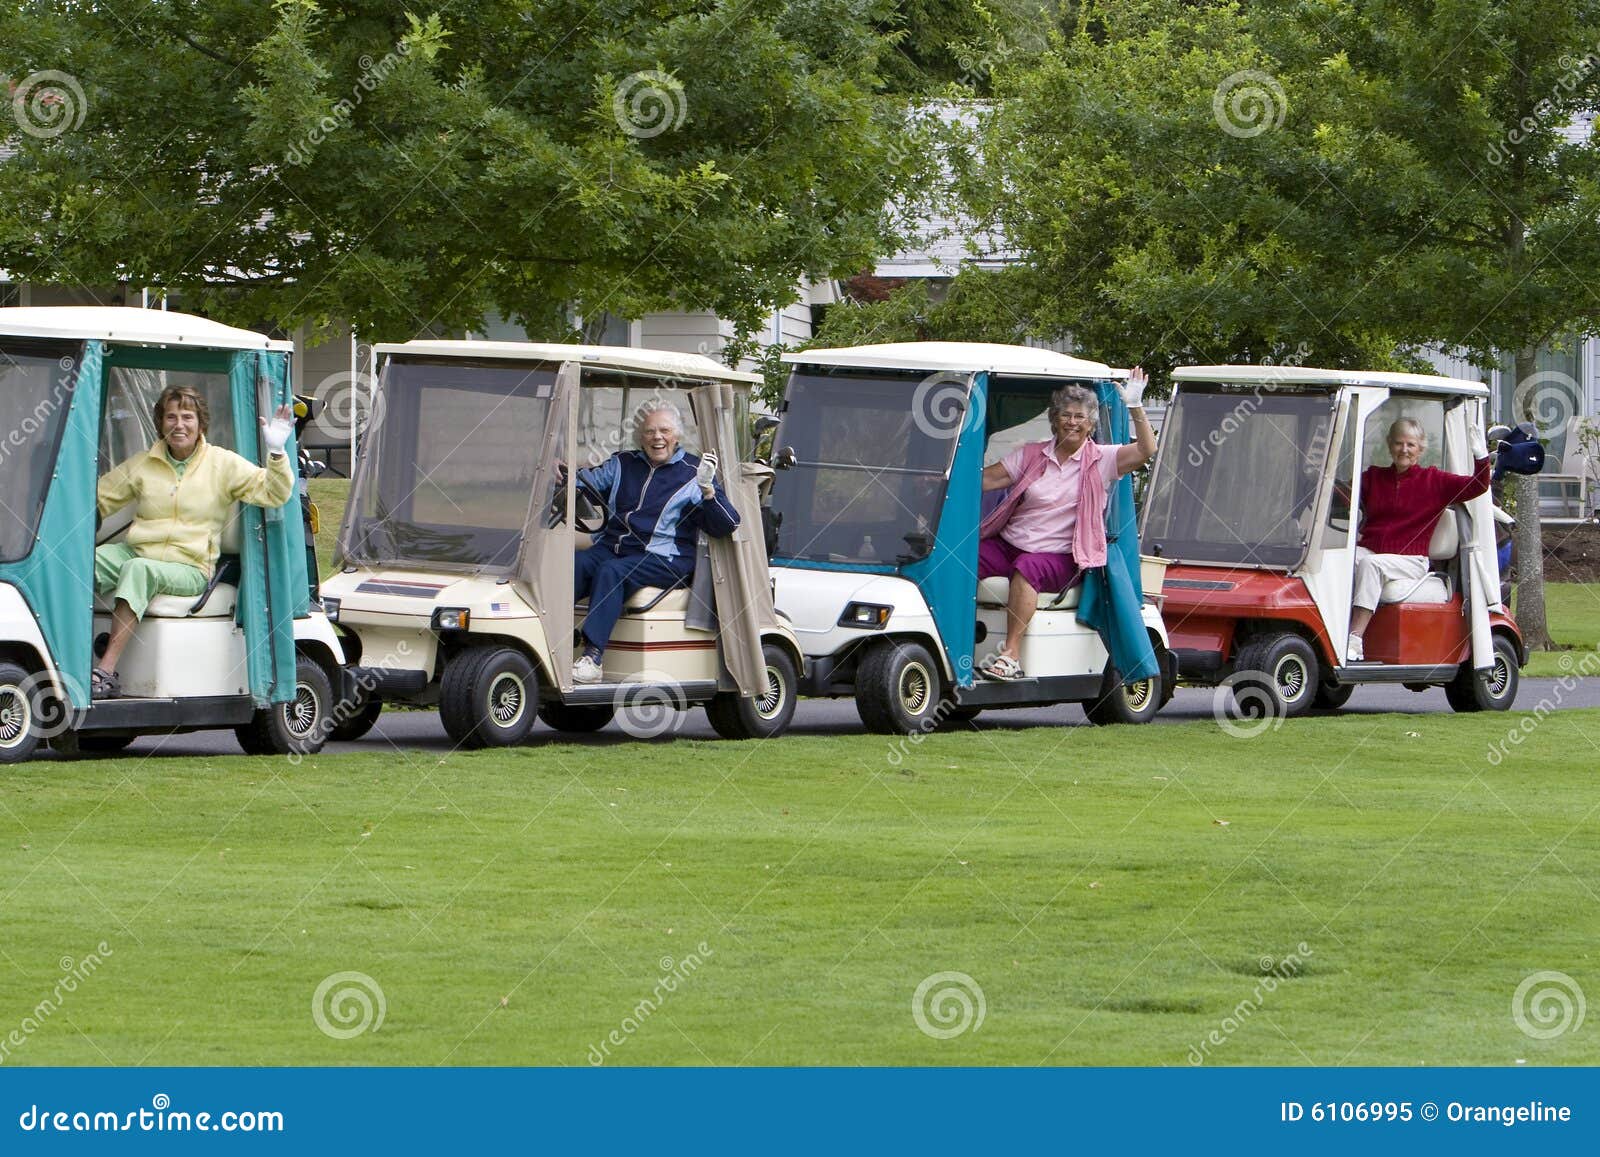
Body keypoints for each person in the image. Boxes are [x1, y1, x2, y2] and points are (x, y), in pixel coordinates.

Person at [94, 386, 297, 698]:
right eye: (171, 417)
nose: (179, 424)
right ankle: (60, 657)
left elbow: (275, 492)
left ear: (201, 424)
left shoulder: (222, 464)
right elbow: (95, 500)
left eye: (187, 417)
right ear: (161, 423)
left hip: (189, 567)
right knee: (76, 562)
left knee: (138, 570)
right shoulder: (143, 463)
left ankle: (105, 673)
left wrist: (277, 452)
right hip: (137, 551)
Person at [976, 369, 1158, 680]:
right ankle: (955, 640)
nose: (1072, 421)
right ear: (1054, 419)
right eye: (1066, 415)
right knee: (962, 557)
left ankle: (1010, 656)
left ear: (1091, 425)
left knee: (1026, 569)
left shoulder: (1101, 459)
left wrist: (1134, 406)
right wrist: (939, 477)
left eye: (1080, 417)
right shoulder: (1033, 454)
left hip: (1060, 556)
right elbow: (986, 478)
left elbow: (1146, 450)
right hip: (1010, 544)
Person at [570, 402, 738, 684]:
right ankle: (550, 637)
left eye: (664, 430)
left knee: (611, 571)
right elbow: (587, 483)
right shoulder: (623, 463)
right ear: (641, 437)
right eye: (649, 431)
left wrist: (708, 491)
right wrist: (562, 475)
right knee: (574, 563)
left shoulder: (694, 472)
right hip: (613, 548)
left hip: (666, 558)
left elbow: (728, 524)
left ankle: (593, 657)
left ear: (677, 435)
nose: (657, 437)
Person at [1346, 417, 1489, 661]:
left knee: (1371, 565)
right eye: (1399, 443)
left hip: (1411, 560)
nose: (1404, 450)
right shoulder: (1373, 478)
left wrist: (1481, 458)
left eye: (1410, 445)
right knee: (1342, 557)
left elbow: (1478, 485)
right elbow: (1340, 494)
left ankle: (1354, 640)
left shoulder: (1434, 481)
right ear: (1390, 445)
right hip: (1373, 551)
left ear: (1421, 448)